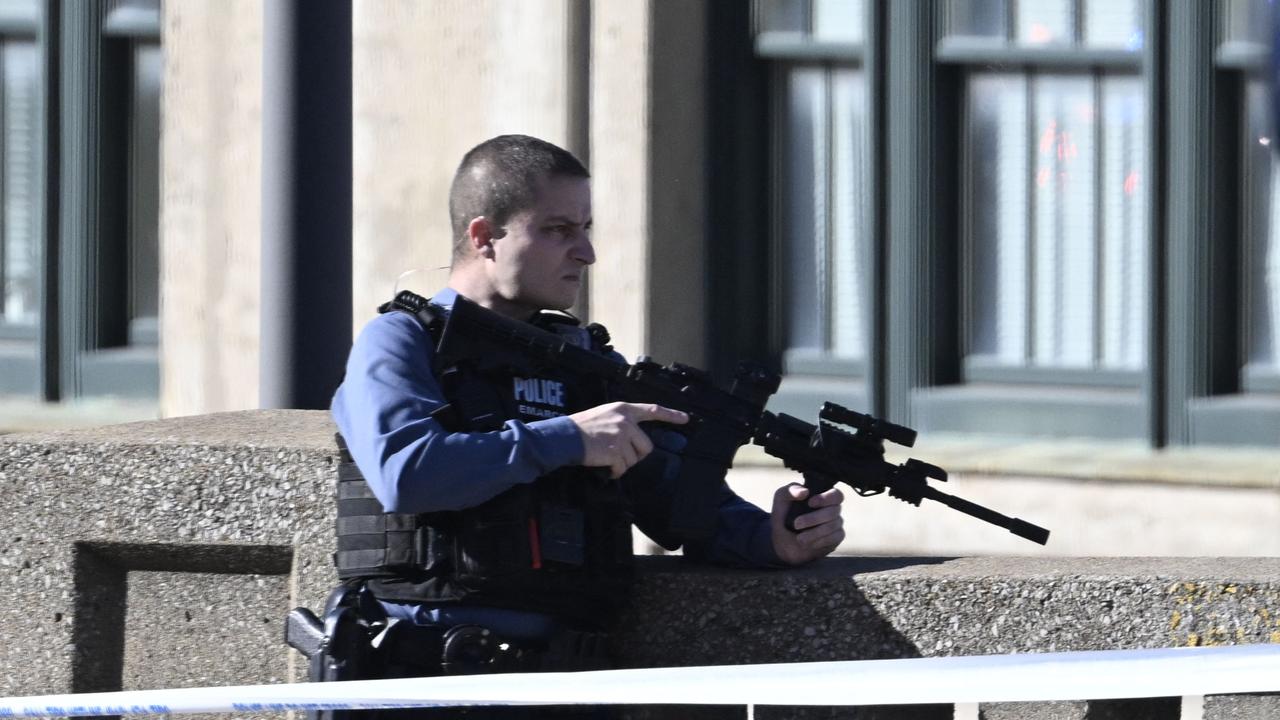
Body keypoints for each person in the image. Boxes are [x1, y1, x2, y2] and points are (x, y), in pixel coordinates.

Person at [328, 134, 845, 710]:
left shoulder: (584, 363)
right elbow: (406, 472)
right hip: (427, 681)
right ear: (484, 237)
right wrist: (569, 438)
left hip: (569, 686)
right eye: (557, 230)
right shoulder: (402, 341)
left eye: (586, 229)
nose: (585, 253)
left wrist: (771, 537)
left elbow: (676, 502)